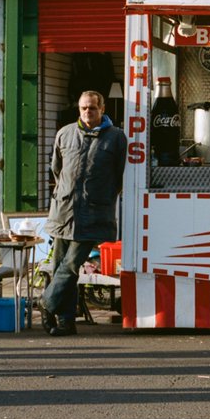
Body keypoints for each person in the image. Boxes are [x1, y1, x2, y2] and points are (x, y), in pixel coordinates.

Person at [41, 90, 127, 337]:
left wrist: (101, 196)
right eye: (83, 108)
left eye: (92, 108)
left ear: (102, 109)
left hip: (93, 213)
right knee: (59, 266)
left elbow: (120, 175)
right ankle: (66, 322)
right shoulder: (65, 133)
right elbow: (57, 171)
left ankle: (46, 304)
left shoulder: (116, 138)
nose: (87, 112)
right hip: (64, 211)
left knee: (70, 266)